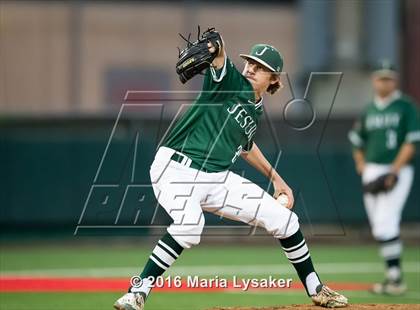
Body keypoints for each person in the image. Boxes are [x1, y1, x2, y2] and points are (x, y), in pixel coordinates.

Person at [114, 34, 348, 309]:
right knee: (190, 226)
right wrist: (215, 46)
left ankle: (316, 288)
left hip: (216, 178)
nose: (250, 68)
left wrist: (276, 179)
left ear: (274, 79)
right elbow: (219, 47)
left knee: (286, 220)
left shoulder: (256, 109)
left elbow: (246, 147)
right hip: (176, 168)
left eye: (259, 67)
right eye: (250, 62)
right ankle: (136, 292)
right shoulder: (229, 81)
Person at [348, 60, 420, 295]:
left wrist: (394, 170)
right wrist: (360, 164)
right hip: (372, 169)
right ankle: (394, 278)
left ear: (395, 81)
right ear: (374, 80)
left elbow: (412, 142)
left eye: (388, 78)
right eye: (381, 77)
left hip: (397, 169)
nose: (384, 82)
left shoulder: (405, 106)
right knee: (380, 227)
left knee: (386, 222)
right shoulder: (369, 109)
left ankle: (396, 280)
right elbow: (357, 140)